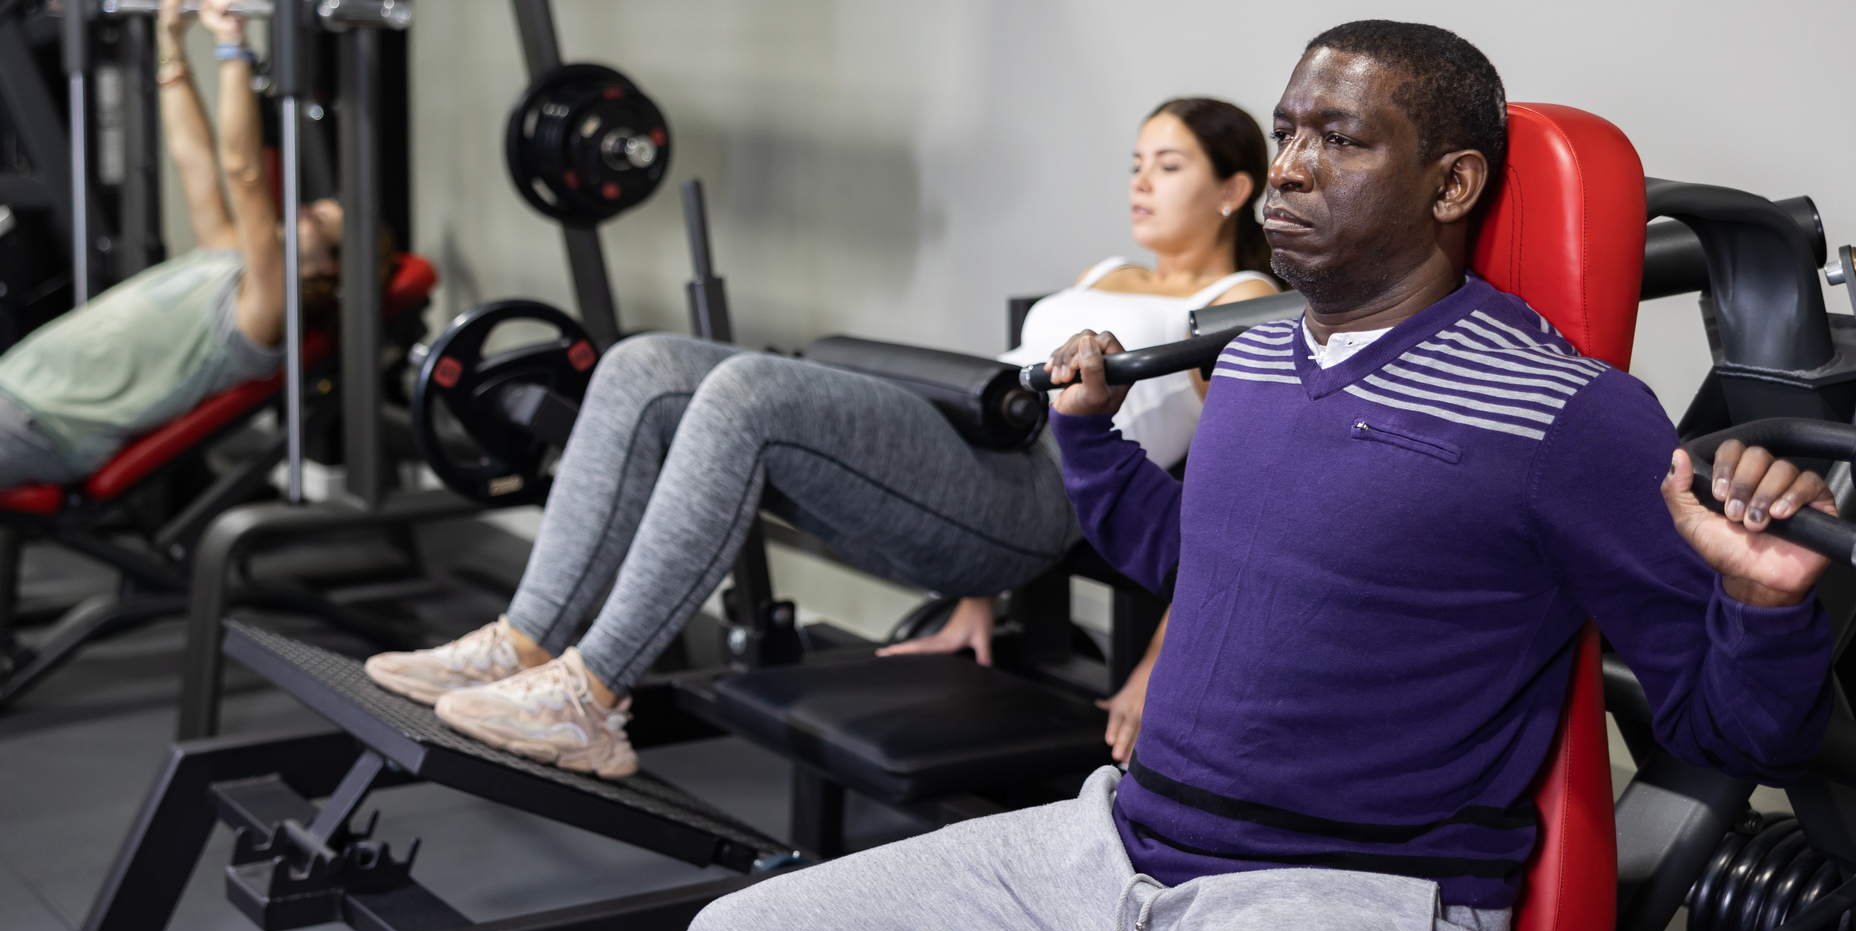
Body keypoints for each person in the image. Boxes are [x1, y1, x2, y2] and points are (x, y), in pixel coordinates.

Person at [665, 21, 1836, 931]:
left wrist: (1768, 606)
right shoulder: (1264, 356)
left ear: (1451, 183)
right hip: (1116, 845)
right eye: (1286, 132)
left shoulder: (1567, 412)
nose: (1288, 166)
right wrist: (1089, 441)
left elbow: (1730, 728)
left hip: (1348, 904)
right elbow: (1195, 560)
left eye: (1341, 139)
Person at [363, 98, 1279, 779]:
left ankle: (589, 695)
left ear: (1234, 188)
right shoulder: (1106, 271)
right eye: (1134, 162)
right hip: (972, 446)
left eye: (1168, 165)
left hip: (1030, 494)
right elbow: (1008, 384)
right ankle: (524, 641)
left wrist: (1160, 668)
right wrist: (975, 595)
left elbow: (1236, 502)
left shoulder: (1237, 309)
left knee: (747, 390)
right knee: (644, 362)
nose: (1139, 182)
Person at [0, 0, 347, 488]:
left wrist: (232, 45)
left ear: (331, 268)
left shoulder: (266, 311)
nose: (304, 209)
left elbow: (243, 173)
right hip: (15, 387)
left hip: (45, 426)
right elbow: (194, 160)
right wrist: (171, 43)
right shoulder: (231, 259)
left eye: (321, 223)